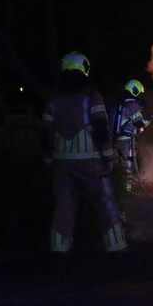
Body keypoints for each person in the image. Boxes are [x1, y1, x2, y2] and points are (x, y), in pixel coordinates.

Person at [41, 52, 135, 271]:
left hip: (62, 164)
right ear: (84, 69)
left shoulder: (54, 99)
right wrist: (108, 158)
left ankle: (59, 254)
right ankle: (117, 252)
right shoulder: (91, 96)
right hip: (91, 163)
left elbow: (45, 133)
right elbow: (101, 129)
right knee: (105, 203)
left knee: (63, 207)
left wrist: (48, 160)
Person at [112, 79, 153, 192]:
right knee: (127, 164)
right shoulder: (132, 105)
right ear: (135, 91)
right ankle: (126, 190)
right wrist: (150, 119)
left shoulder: (121, 103)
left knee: (117, 163)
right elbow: (140, 122)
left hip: (115, 139)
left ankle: (117, 188)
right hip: (126, 140)